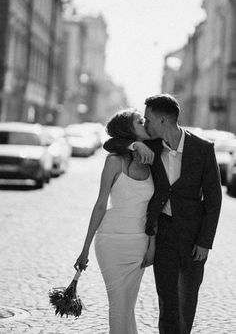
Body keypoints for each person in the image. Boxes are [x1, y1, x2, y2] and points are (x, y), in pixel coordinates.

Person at [104, 94, 222, 334]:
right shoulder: (152, 148)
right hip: (164, 235)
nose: (145, 124)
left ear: (163, 120)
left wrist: (204, 242)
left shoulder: (203, 148)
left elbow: (214, 200)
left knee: (186, 302)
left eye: (148, 119)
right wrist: (133, 144)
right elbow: (110, 144)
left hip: (193, 240)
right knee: (167, 302)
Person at [74, 108, 156, 334]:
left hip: (139, 244)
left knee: (128, 309)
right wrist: (85, 249)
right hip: (111, 243)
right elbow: (100, 205)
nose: (146, 123)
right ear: (129, 131)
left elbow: (156, 209)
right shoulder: (114, 162)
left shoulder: (153, 158)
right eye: (140, 121)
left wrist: (152, 245)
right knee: (118, 308)